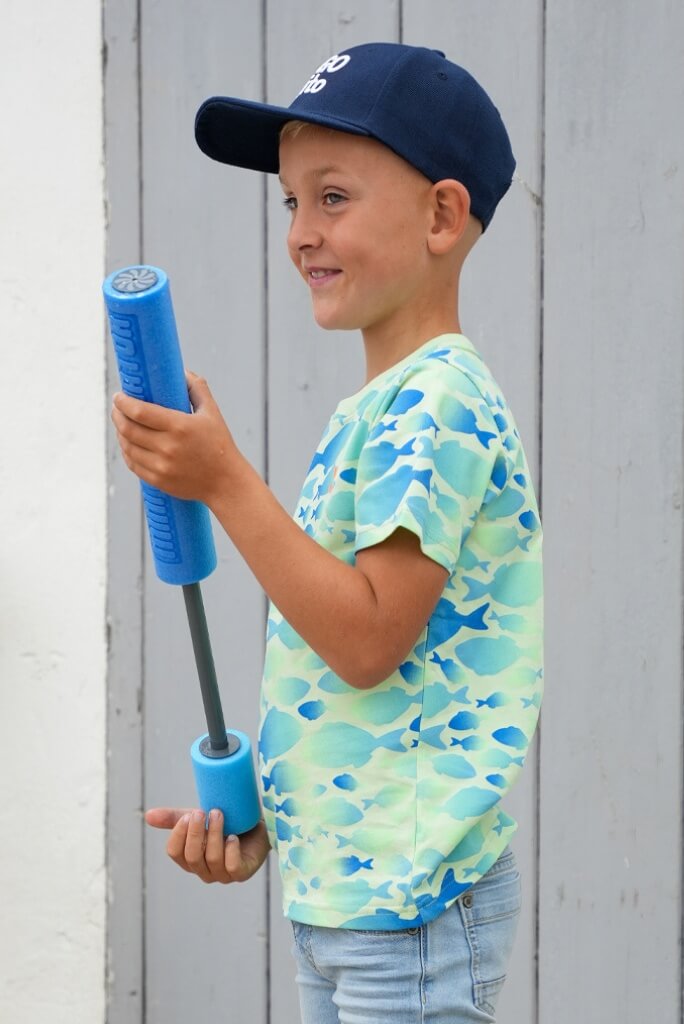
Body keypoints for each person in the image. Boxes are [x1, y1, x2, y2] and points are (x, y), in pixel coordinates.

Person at [112, 41, 543, 1024]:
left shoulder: (435, 407)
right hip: (361, 899)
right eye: (290, 203)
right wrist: (276, 816)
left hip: (416, 914)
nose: (302, 230)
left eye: (334, 197)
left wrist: (226, 482)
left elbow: (364, 635)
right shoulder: (382, 411)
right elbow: (387, 685)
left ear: (441, 213)